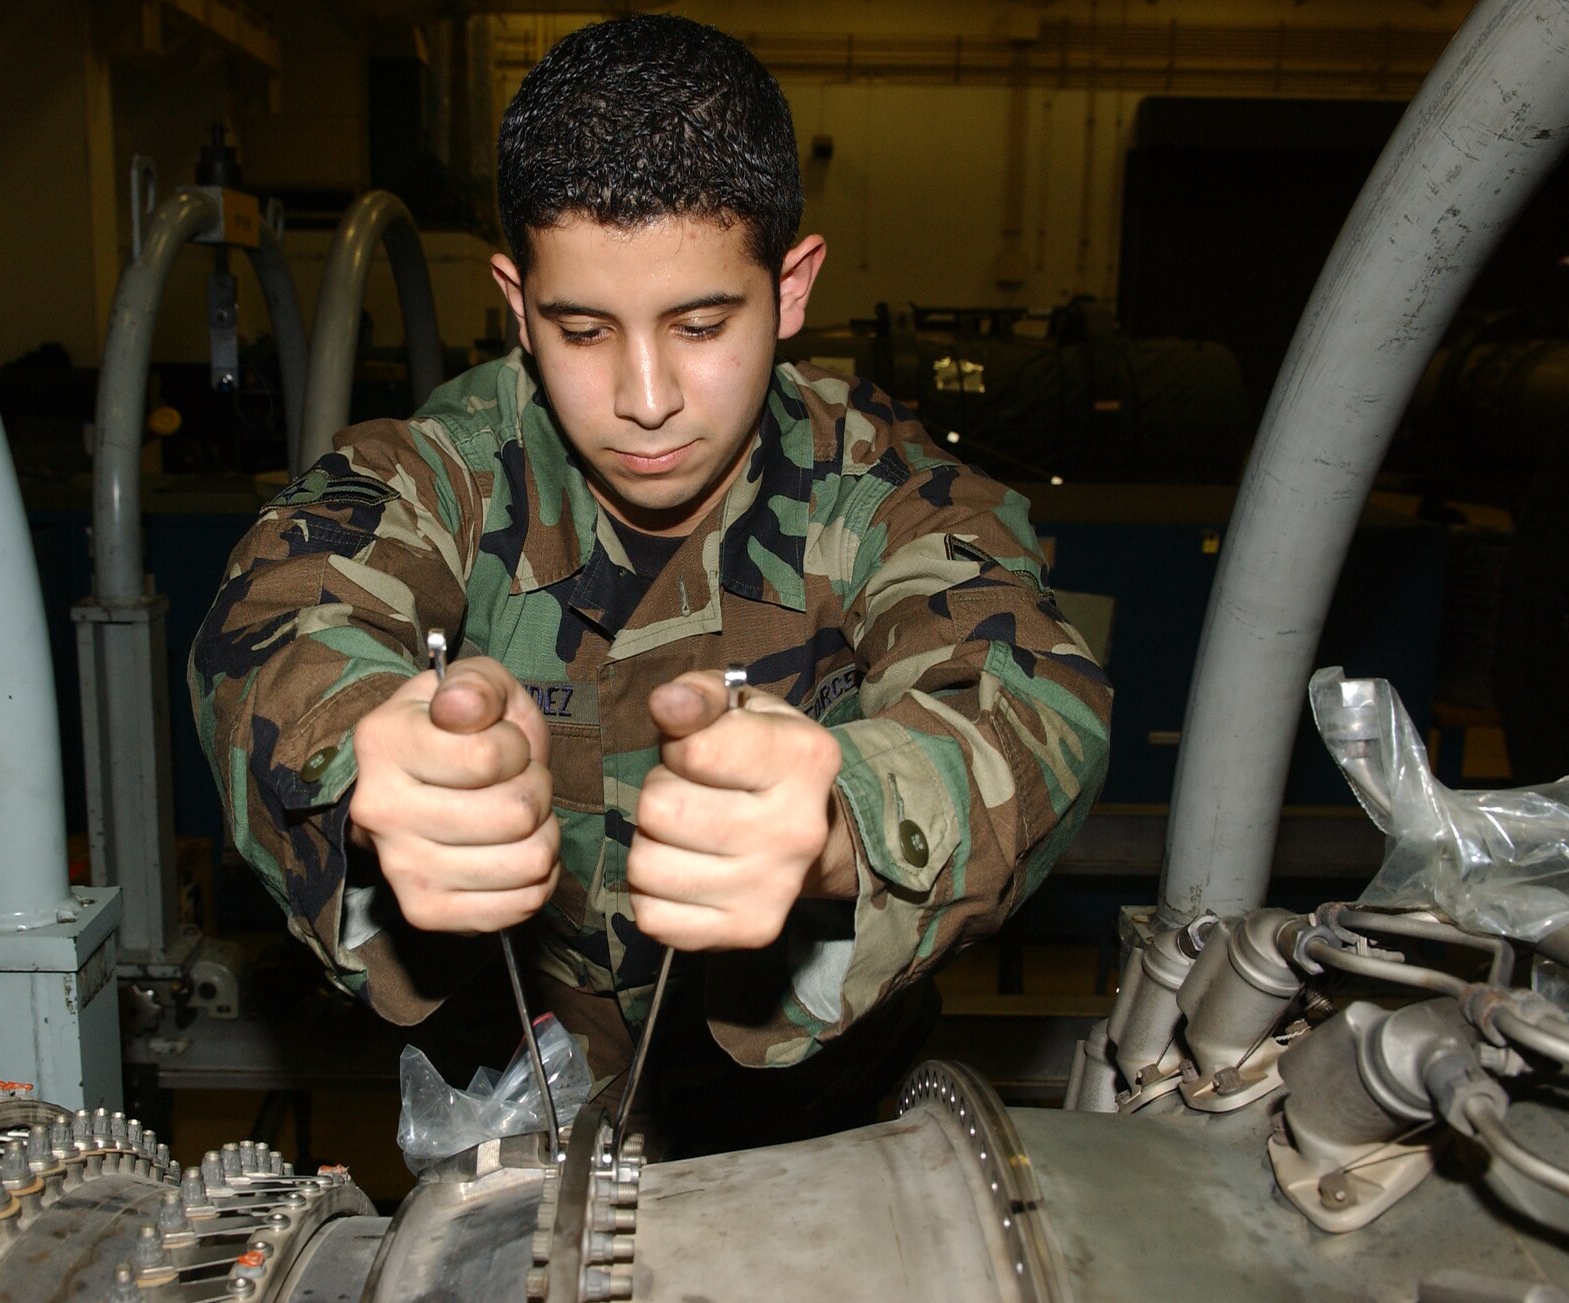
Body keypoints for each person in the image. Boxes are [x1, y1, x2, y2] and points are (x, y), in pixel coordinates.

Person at [190, 14, 1111, 1155]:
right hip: (515, 1104)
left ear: (790, 288)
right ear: (514, 304)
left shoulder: (882, 490)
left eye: (699, 323)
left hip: (812, 1126)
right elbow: (279, 614)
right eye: (581, 329)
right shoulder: (449, 470)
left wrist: (842, 825)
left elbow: (1031, 694)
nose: (644, 396)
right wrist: (365, 753)